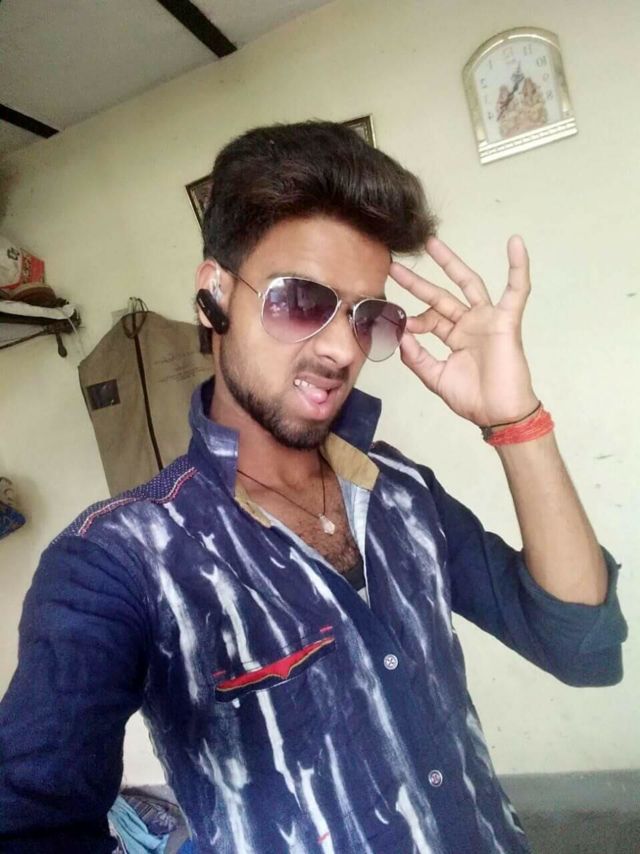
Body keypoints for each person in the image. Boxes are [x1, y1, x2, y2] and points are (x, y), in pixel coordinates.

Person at [0, 121, 627, 853]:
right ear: (213, 294)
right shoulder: (120, 560)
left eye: (367, 316)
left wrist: (516, 421)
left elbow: (579, 645)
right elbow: (28, 821)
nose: (339, 348)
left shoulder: (400, 490)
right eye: (300, 299)